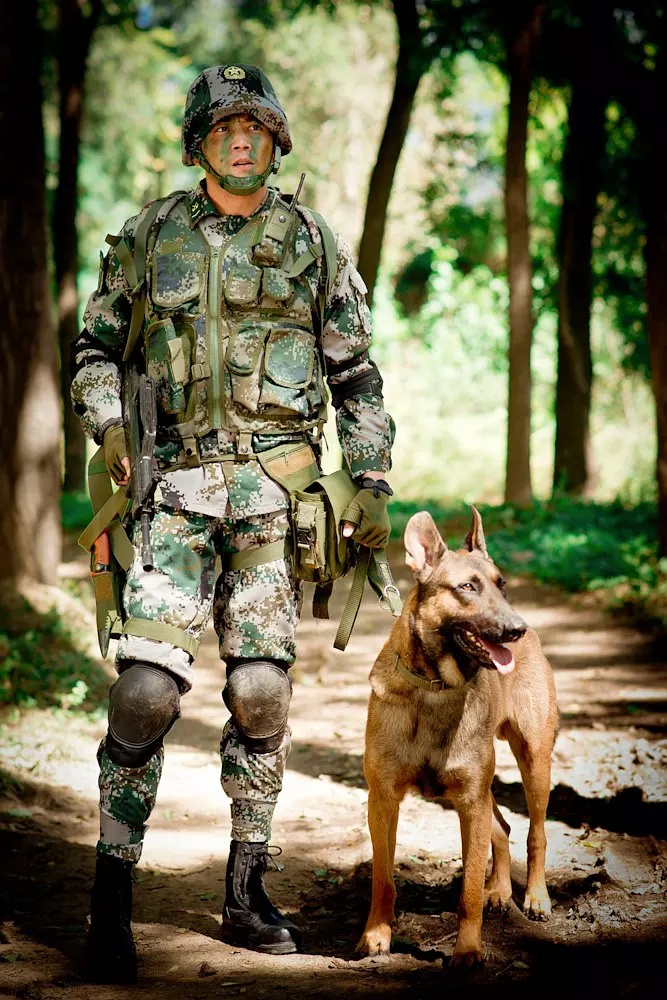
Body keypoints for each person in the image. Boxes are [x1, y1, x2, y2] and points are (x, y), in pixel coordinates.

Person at [71, 64, 395, 984]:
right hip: (172, 494)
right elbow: (94, 350)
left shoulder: (313, 243)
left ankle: (247, 892)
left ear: (276, 140)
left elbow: (355, 377)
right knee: (142, 694)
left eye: (255, 127)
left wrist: (370, 479)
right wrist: (109, 427)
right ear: (198, 145)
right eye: (222, 129)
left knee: (261, 694)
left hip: (272, 500)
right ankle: (110, 901)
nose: (241, 140)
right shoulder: (148, 236)